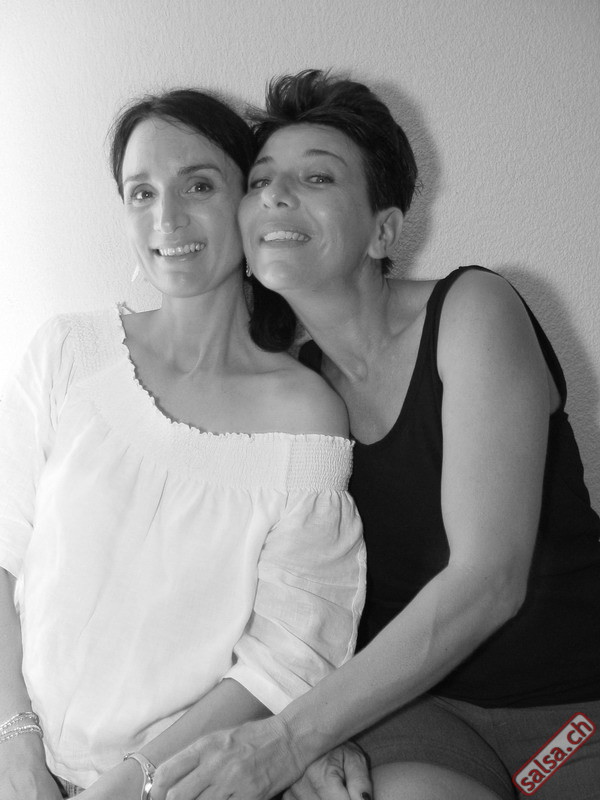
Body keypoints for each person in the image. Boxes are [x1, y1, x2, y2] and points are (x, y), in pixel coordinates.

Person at [151, 71, 600, 800]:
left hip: (570, 698)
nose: (275, 195)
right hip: (415, 714)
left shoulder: (473, 309)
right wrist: (318, 727)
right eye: (260, 181)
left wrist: (290, 739)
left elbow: (489, 580)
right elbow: (298, 596)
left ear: (384, 231)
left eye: (316, 177)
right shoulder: (294, 393)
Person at [0, 87, 366, 800]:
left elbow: (289, 651)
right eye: (142, 193)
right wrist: (16, 747)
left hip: (184, 783)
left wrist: (132, 783)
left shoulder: (306, 415)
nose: (166, 218)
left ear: (248, 201)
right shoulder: (69, 352)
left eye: (198, 185)